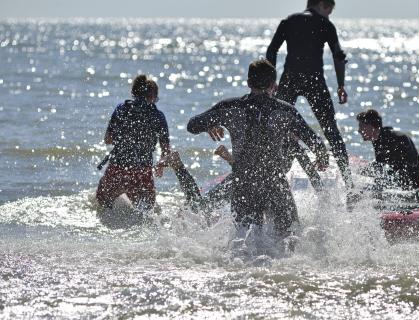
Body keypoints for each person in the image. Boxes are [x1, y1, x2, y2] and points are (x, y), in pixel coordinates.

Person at [186, 59, 329, 239]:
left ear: (248, 83)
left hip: (243, 183)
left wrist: (208, 125)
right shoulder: (285, 111)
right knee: (290, 239)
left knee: (244, 242)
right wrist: (322, 157)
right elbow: (314, 141)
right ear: (273, 85)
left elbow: (192, 125)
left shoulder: (230, 107)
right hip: (274, 182)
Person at [266, 0, 353, 190]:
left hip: (290, 79)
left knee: (277, 128)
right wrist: (340, 85)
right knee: (331, 131)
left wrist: (271, 81)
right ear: (323, 4)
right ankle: (349, 184)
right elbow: (338, 55)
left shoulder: (288, 21)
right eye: (330, 10)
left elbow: (271, 50)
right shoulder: (326, 25)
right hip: (315, 81)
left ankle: (271, 178)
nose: (329, 14)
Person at [96, 75, 171, 214]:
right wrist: (161, 165)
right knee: (148, 213)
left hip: (118, 168)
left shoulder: (122, 109)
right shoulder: (158, 116)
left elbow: (108, 139)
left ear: (134, 93)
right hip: (142, 172)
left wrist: (125, 139)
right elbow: (166, 150)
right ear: (153, 96)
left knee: (102, 204)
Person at [357, 109, 419, 202]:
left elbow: (414, 168)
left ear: (371, 127)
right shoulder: (377, 141)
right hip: (413, 183)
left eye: (361, 127)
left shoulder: (399, 138)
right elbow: (380, 168)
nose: (359, 131)